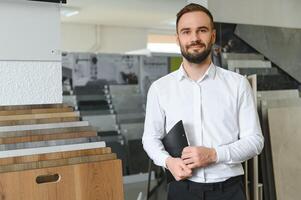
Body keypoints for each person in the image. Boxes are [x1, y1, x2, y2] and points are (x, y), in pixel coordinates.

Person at [142, 3, 264, 200]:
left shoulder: (238, 84)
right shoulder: (159, 88)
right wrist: (168, 162)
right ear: (178, 38)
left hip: (229, 191)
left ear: (213, 36)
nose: (194, 38)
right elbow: (150, 139)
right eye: (186, 32)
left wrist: (214, 154)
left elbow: (255, 141)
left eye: (202, 30)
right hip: (181, 190)